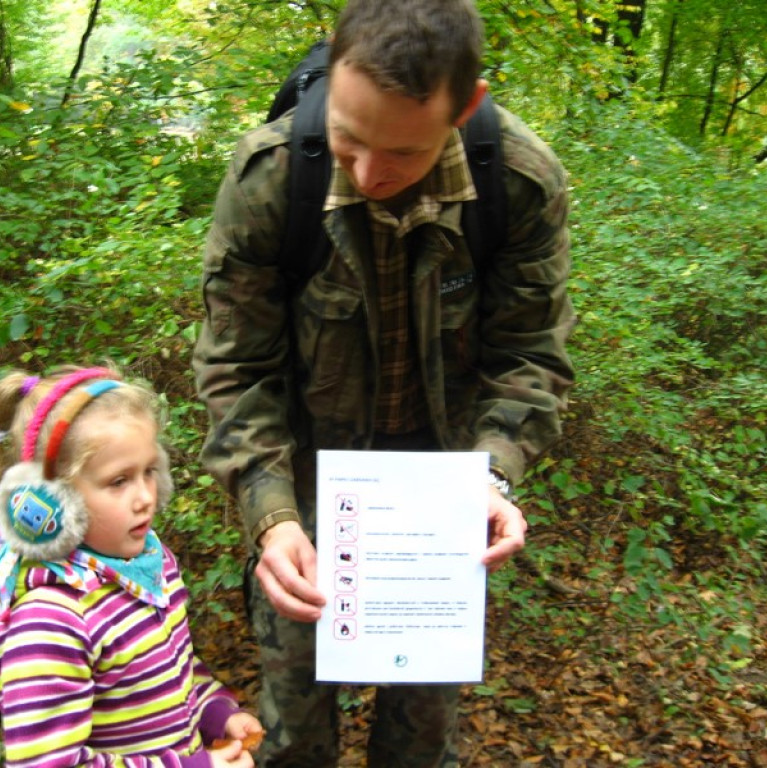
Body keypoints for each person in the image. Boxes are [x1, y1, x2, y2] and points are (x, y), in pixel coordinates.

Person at [192, 0, 576, 765]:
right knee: (293, 731)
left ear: (463, 110)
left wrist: (495, 475)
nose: (369, 174)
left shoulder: (520, 186)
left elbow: (529, 356)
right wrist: (270, 515)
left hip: (442, 506)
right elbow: (238, 367)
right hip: (305, 490)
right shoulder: (272, 180)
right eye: (348, 137)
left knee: (423, 737)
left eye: (401, 152)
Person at [0, 364, 263, 768]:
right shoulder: (52, 622)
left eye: (150, 472)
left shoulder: (147, 566)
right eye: (119, 481)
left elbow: (173, 672)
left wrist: (215, 713)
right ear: (53, 500)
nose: (145, 498)